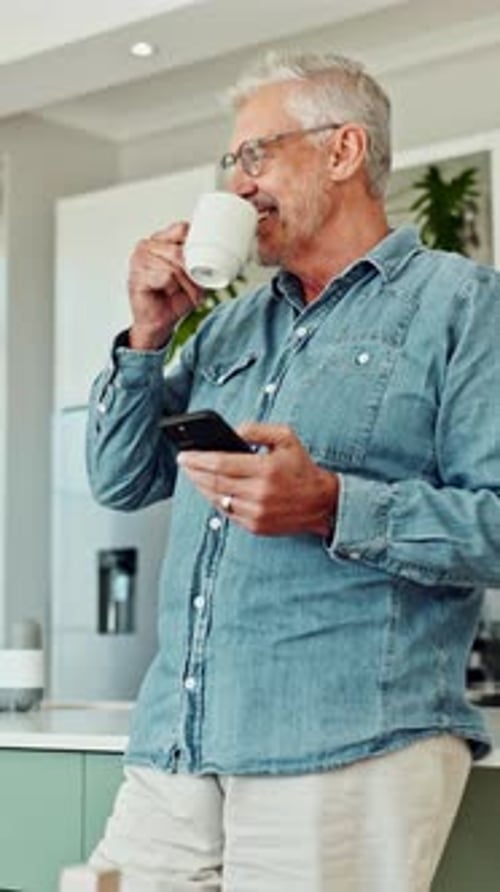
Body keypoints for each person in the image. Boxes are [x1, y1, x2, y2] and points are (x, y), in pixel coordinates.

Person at [86, 49, 500, 892]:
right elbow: (121, 481)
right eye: (231, 162)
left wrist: (332, 505)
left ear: (343, 150)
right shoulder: (228, 328)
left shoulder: (463, 305)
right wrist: (146, 338)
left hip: (344, 748)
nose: (237, 185)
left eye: (255, 154)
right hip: (178, 744)